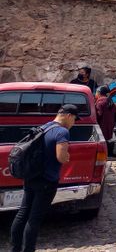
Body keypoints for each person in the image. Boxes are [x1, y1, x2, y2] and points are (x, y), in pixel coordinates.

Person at [10, 104, 77, 252]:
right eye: (74, 120)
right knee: (34, 219)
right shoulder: (62, 132)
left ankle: (15, 248)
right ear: (68, 116)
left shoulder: (44, 126)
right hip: (47, 180)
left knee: (22, 213)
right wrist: (66, 157)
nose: (74, 123)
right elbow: (61, 157)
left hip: (31, 176)